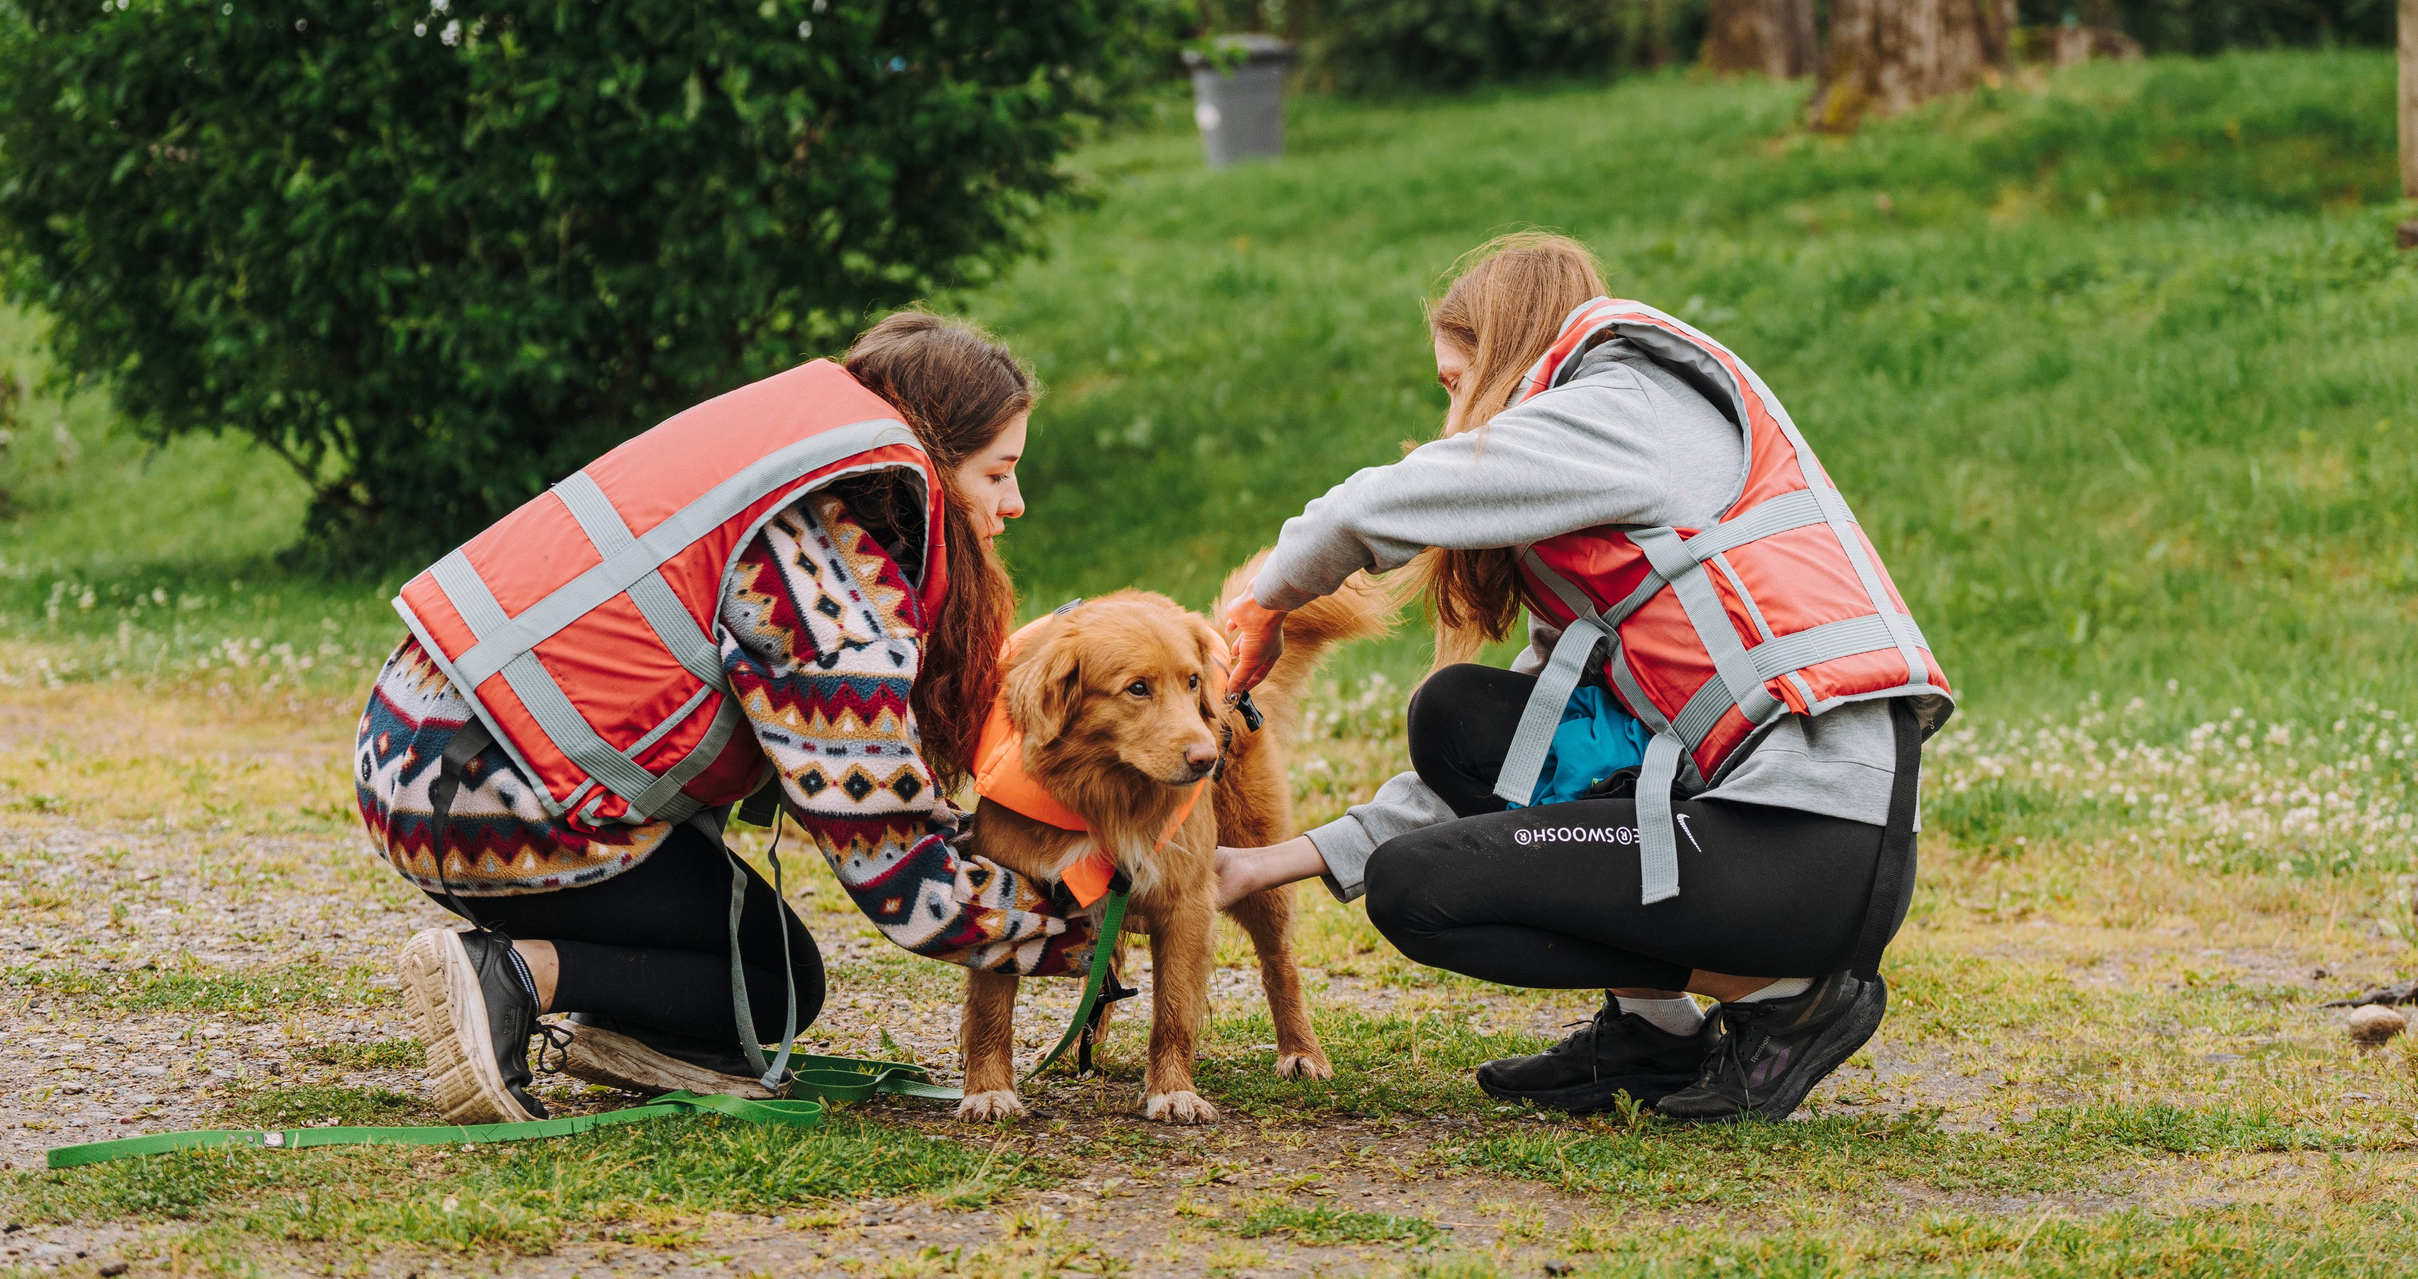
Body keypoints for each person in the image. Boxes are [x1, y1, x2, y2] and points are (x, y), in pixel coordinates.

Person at [1215, 234, 1951, 1123]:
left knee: (1420, 893)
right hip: (1759, 836)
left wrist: (1270, 598)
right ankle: (1654, 1039)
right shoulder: (1602, 514)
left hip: (1809, 842)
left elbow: (1387, 499)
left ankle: (1783, 994)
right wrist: (1263, 866)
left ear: (1507, 353)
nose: (1454, 412)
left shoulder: (1632, 402)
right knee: (1461, 718)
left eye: (1456, 383)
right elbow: (1532, 766)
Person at [353, 312, 1090, 1122]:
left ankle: (633, 1024)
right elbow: (892, 863)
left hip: (413, 741)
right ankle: (511, 977)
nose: (1014, 502)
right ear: (936, 460)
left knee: (744, 959)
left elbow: (875, 789)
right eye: (997, 472)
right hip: (489, 801)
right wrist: (1084, 930)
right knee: (772, 983)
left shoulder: (781, 480)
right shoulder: (828, 586)